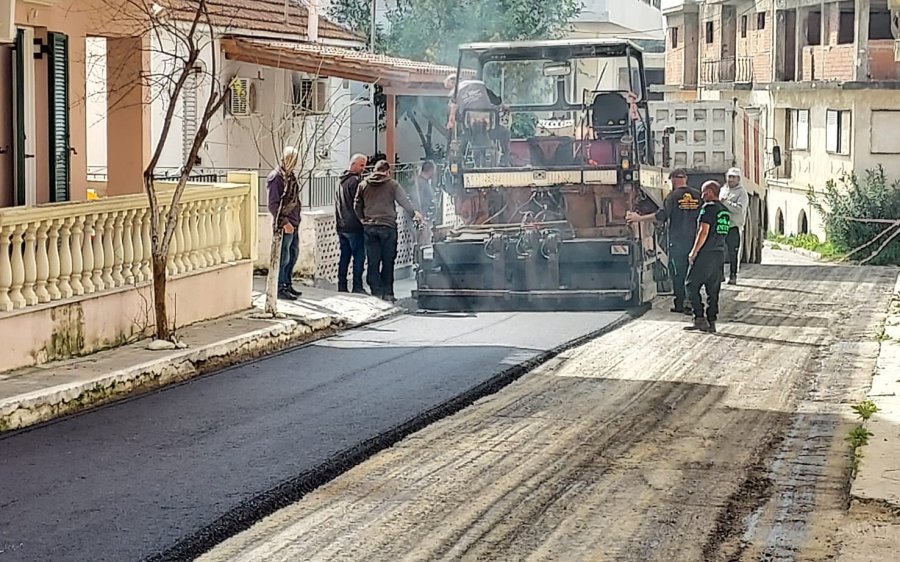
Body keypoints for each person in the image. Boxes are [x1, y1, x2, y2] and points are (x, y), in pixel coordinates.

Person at [626, 168, 702, 314]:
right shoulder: (698, 195)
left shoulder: (672, 197)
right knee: (693, 272)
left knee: (678, 272)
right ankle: (693, 302)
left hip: (677, 241)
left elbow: (661, 216)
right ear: (685, 179)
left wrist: (639, 218)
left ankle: (681, 303)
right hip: (695, 241)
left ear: (673, 179)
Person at [354, 160, 423, 302]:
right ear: (387, 171)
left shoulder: (363, 184)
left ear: (375, 170)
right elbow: (404, 201)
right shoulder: (392, 185)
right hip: (388, 227)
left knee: (373, 261)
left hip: (370, 227)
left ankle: (375, 291)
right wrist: (413, 214)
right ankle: (388, 293)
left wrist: (362, 219)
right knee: (388, 261)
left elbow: (356, 204)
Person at [684, 180, 731, 334]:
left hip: (706, 253)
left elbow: (703, 231)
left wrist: (694, 251)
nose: (702, 195)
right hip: (719, 254)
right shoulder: (724, 210)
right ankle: (712, 321)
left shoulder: (708, 208)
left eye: (704, 192)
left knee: (690, 285)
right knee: (713, 289)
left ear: (711, 192)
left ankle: (699, 317)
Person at [267, 147, 302, 301]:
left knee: (293, 255)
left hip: (294, 222)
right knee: (284, 257)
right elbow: (273, 204)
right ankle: (280, 287)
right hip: (285, 223)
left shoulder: (290, 176)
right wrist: (285, 222)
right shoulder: (276, 177)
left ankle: (287, 283)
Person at [336, 153, 368, 294]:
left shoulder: (340, 180)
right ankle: (357, 286)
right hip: (354, 226)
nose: (363, 169)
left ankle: (342, 286)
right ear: (353, 164)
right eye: (361, 165)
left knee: (344, 257)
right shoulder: (354, 182)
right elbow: (359, 203)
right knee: (359, 257)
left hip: (342, 224)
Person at [720, 167, 749, 285]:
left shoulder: (742, 193)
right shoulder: (723, 189)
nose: (730, 179)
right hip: (722, 225)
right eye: (729, 177)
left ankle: (733, 275)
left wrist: (726, 203)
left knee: (733, 252)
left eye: (733, 177)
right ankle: (720, 275)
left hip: (734, 226)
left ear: (738, 179)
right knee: (719, 251)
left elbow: (739, 209)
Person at [412, 161, 437, 249]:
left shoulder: (424, 183)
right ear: (430, 171)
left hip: (426, 219)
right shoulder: (421, 184)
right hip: (423, 220)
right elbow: (418, 201)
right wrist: (423, 217)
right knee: (424, 245)